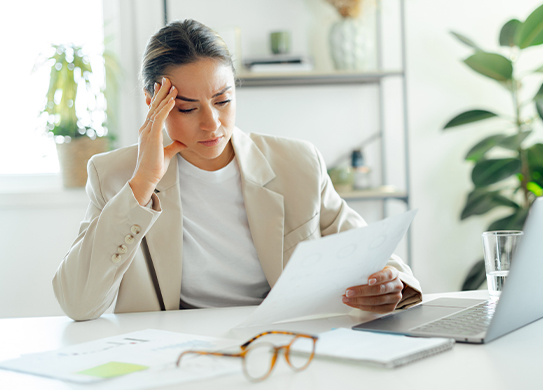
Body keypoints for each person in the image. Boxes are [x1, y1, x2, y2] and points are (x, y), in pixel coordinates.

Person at [53, 19, 422, 321]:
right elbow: (78, 303)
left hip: (280, 343)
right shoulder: (114, 175)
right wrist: (142, 185)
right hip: (175, 354)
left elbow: (369, 249)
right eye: (187, 108)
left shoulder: (297, 163)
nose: (212, 124)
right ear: (154, 103)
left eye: (223, 100)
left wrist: (392, 284)